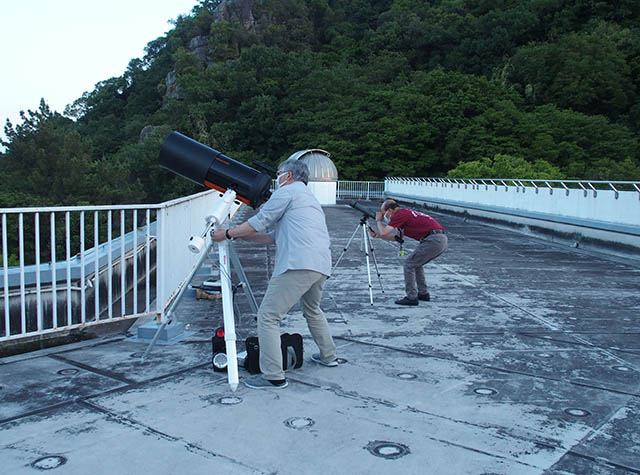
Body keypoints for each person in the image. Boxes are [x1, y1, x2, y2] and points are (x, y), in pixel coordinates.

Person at [212, 159, 338, 389]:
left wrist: (228, 233)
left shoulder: (286, 193)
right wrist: (238, 235)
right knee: (312, 310)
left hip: (297, 264)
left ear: (288, 175)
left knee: (268, 316)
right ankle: (329, 356)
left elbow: (259, 221)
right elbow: (270, 237)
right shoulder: (307, 198)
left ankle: (273, 375)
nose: (276, 178)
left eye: (279, 173)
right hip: (320, 264)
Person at [370, 199, 447, 306]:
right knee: (416, 264)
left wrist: (378, 221)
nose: (384, 217)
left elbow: (384, 231)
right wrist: (378, 236)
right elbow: (399, 238)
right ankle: (423, 293)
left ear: (390, 210)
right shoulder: (405, 214)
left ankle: (412, 297)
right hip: (438, 239)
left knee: (409, 264)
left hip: (433, 239)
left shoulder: (400, 214)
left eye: (384, 214)